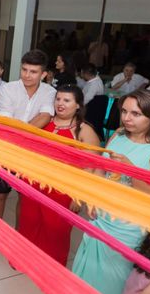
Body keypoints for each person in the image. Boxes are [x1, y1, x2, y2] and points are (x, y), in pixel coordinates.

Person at [73, 90, 150, 294]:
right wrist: (93, 196)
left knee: (115, 277)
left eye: (136, 114)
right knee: (92, 270)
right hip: (103, 212)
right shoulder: (117, 135)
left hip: (129, 222)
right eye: (125, 111)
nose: (128, 118)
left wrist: (129, 168)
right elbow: (103, 168)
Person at [17, 85, 100, 265]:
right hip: (34, 183)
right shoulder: (45, 121)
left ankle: (51, 268)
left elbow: (91, 167)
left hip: (62, 190)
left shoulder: (84, 130)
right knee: (29, 221)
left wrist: (78, 197)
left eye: (67, 100)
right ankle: (26, 260)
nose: (60, 104)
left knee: (56, 230)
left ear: (78, 105)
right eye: (58, 99)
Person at [0, 49, 56, 254]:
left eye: (33, 71)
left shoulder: (49, 92)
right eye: (24, 69)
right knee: (0, 193)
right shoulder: (9, 88)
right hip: (7, 149)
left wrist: (23, 133)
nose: (27, 75)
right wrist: (23, 133)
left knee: (24, 196)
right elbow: (7, 121)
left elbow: (45, 115)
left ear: (43, 74)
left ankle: (18, 236)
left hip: (32, 153)